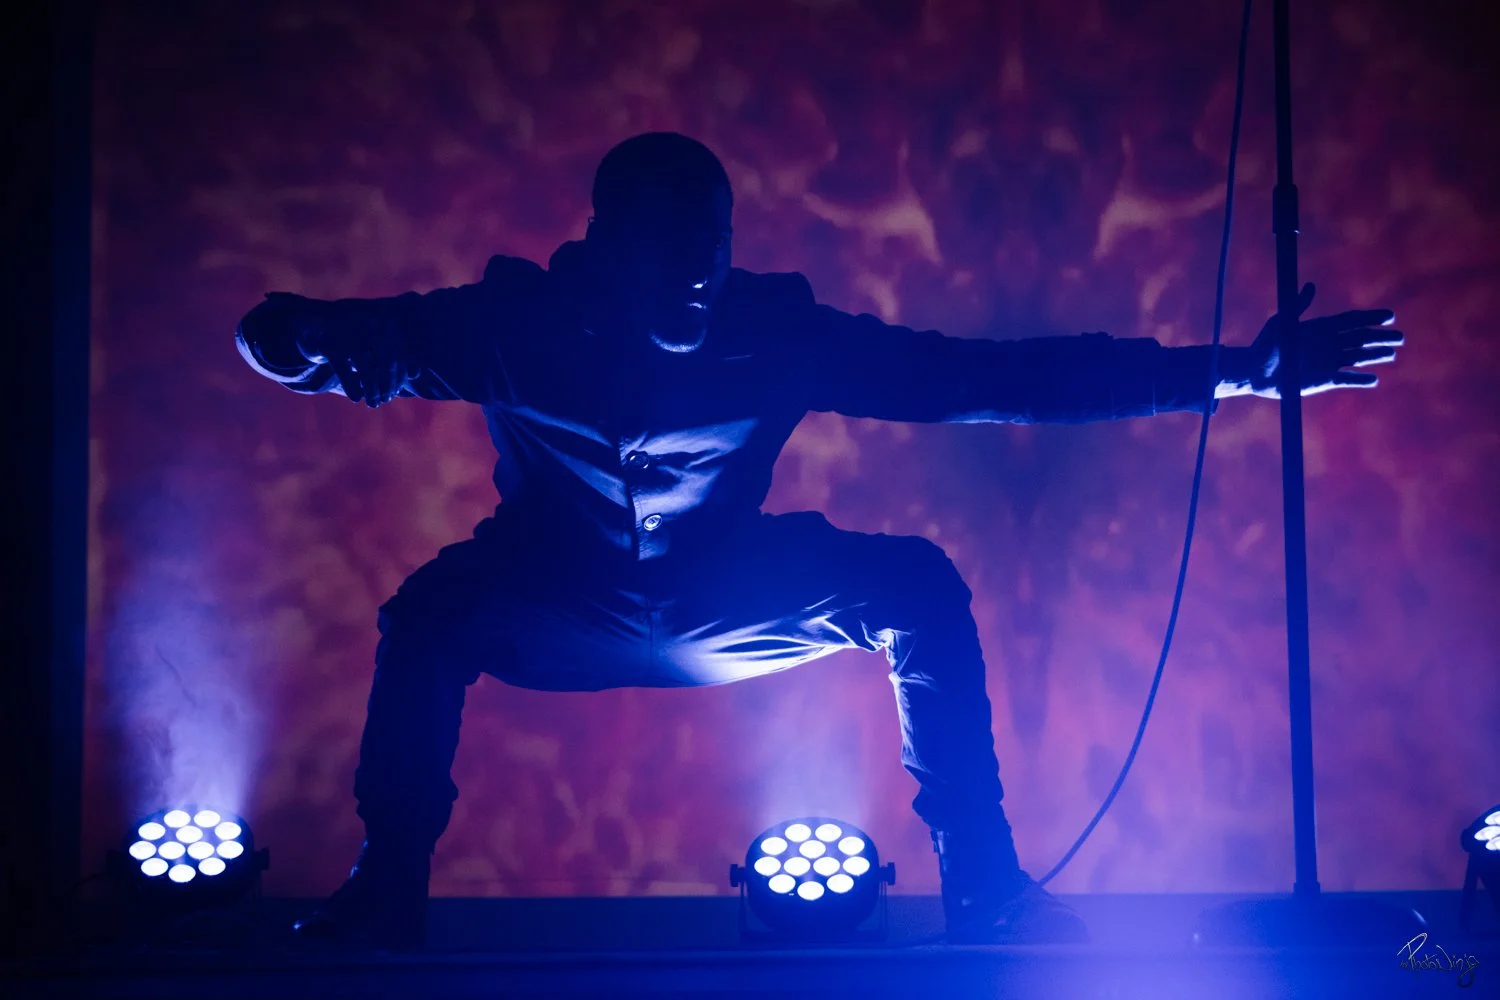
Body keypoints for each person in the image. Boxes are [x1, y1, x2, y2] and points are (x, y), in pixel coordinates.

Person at [235, 132, 1403, 949]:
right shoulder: (517, 323)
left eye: (714, 239)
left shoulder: (772, 331)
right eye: (665, 242)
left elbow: (987, 379)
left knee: (914, 585)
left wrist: (1239, 373)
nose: (695, 269)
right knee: (426, 616)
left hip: (725, 596)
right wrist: (289, 337)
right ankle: (385, 888)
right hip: (554, 594)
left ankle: (986, 884)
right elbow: (371, 346)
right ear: (605, 240)